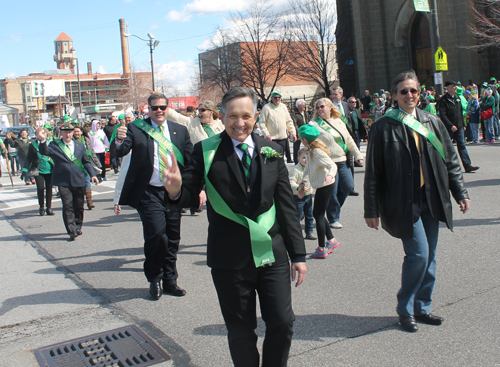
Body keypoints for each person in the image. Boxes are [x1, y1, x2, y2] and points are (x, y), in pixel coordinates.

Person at [161, 87, 306, 367]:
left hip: (271, 252)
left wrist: (298, 255)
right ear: (222, 117)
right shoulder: (206, 150)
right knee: (241, 332)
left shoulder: (272, 150)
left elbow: (286, 207)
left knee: (283, 322)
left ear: (255, 117)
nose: (239, 123)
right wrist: (176, 190)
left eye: (246, 116)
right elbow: (189, 196)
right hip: (230, 258)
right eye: (232, 116)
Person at [364, 70, 470, 333]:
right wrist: (371, 209)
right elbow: (373, 173)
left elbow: (451, 161)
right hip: (403, 202)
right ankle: (405, 307)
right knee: (419, 254)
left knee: (430, 256)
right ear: (394, 96)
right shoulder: (381, 127)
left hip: (432, 198)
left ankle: (422, 307)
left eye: (413, 91)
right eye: (403, 91)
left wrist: (461, 193)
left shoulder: (432, 122)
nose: (409, 95)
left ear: (420, 94)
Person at [115, 92, 193, 300]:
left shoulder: (180, 130)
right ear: (148, 110)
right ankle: (154, 278)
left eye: (162, 107)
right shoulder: (136, 128)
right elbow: (121, 151)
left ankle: (170, 281)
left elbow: (190, 160)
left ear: (168, 109)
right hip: (149, 191)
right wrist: (118, 138)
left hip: (173, 191)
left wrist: (196, 187)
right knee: (157, 235)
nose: (159, 111)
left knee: (173, 238)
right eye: (155, 108)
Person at [309, 98, 363, 230]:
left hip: (342, 161)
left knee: (347, 186)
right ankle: (333, 218)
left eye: (322, 106)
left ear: (330, 107)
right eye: (317, 107)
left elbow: (349, 140)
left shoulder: (339, 121)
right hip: (328, 163)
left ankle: (334, 209)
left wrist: (358, 155)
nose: (320, 109)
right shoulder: (314, 124)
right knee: (332, 192)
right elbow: (309, 142)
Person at [38, 124, 98, 240]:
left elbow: (85, 161)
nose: (67, 134)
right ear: (60, 133)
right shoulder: (54, 145)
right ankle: (71, 230)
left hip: (78, 179)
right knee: (67, 205)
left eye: (70, 132)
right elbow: (44, 151)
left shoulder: (80, 145)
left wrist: (93, 174)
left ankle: (78, 225)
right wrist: (42, 140)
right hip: (63, 180)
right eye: (65, 132)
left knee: (79, 205)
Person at [298, 124, 339, 258]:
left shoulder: (317, 152)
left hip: (326, 185)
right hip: (321, 185)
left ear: (304, 139)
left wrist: (330, 175)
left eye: (301, 137)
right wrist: (302, 185)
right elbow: (308, 169)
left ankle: (322, 248)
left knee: (318, 215)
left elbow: (332, 165)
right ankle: (331, 240)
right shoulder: (310, 150)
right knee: (319, 214)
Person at [438, 80, 479, 172]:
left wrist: (463, 124)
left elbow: (460, 113)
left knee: (462, 145)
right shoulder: (443, 100)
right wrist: (450, 125)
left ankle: (467, 165)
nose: (455, 88)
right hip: (448, 128)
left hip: (459, 126)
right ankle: (444, 167)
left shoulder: (457, 98)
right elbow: (443, 115)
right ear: (447, 88)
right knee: (446, 146)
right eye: (453, 86)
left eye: (455, 86)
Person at [23, 127, 55, 216]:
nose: (41, 134)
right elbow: (29, 158)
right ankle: (41, 207)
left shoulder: (51, 143)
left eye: (43, 132)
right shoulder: (33, 145)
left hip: (50, 169)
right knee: (40, 188)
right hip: (38, 170)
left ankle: (49, 208)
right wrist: (25, 170)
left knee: (49, 189)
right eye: (39, 133)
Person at [258, 90, 297, 163]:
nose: (277, 99)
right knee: (274, 160)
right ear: (272, 98)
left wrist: (293, 132)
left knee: (282, 160)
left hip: (283, 138)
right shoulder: (266, 108)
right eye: (275, 97)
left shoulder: (283, 106)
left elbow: (289, 121)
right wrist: (267, 134)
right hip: (272, 139)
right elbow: (262, 123)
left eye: (279, 97)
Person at [289, 147, 316, 240]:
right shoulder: (296, 170)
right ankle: (296, 233)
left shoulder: (310, 168)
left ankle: (309, 232)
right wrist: (298, 187)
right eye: (304, 158)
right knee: (298, 216)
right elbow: (290, 182)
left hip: (308, 195)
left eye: (308, 158)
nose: (306, 160)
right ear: (298, 159)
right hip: (298, 197)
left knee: (309, 215)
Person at [73, 125, 102, 209]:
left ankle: (89, 202)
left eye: (78, 131)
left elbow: (92, 153)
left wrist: (98, 164)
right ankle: (79, 203)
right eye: (75, 131)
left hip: (86, 164)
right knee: (78, 184)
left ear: (81, 132)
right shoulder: (71, 141)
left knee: (87, 182)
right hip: (76, 165)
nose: (76, 133)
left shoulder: (86, 140)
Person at [292, 99, 308, 164]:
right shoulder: (294, 114)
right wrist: (297, 132)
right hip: (298, 133)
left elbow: (308, 122)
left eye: (304, 105)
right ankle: (296, 161)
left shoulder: (305, 113)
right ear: (298, 106)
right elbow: (294, 123)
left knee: (307, 147)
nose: (304, 106)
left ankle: (307, 160)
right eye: (303, 105)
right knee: (296, 148)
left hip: (306, 132)